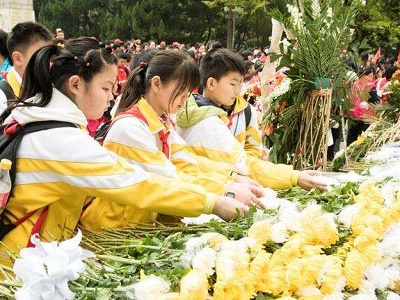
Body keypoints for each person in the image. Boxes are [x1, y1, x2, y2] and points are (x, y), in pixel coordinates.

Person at [0, 38, 249, 267]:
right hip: (18, 264)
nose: (111, 98)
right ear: (75, 84)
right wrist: (212, 202)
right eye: (106, 88)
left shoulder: (41, 120)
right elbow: (136, 183)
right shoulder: (61, 140)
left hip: (32, 256)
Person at [80, 50, 264, 231]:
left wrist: (230, 180)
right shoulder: (130, 128)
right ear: (157, 84)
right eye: (182, 92)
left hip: (139, 225)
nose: (186, 100)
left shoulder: (163, 121)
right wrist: (222, 193)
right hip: (112, 228)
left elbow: (187, 164)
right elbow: (168, 177)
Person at [176, 48, 328, 191]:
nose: (237, 90)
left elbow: (251, 151)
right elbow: (243, 164)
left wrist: (244, 172)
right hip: (219, 189)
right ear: (211, 83)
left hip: (230, 185)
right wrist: (293, 177)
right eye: (232, 84)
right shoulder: (206, 121)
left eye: (240, 84)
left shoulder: (245, 110)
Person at [0, 22, 53, 113]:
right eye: (41, 56)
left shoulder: (52, 87)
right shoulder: (3, 97)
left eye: (51, 57)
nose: (49, 63)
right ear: (18, 58)